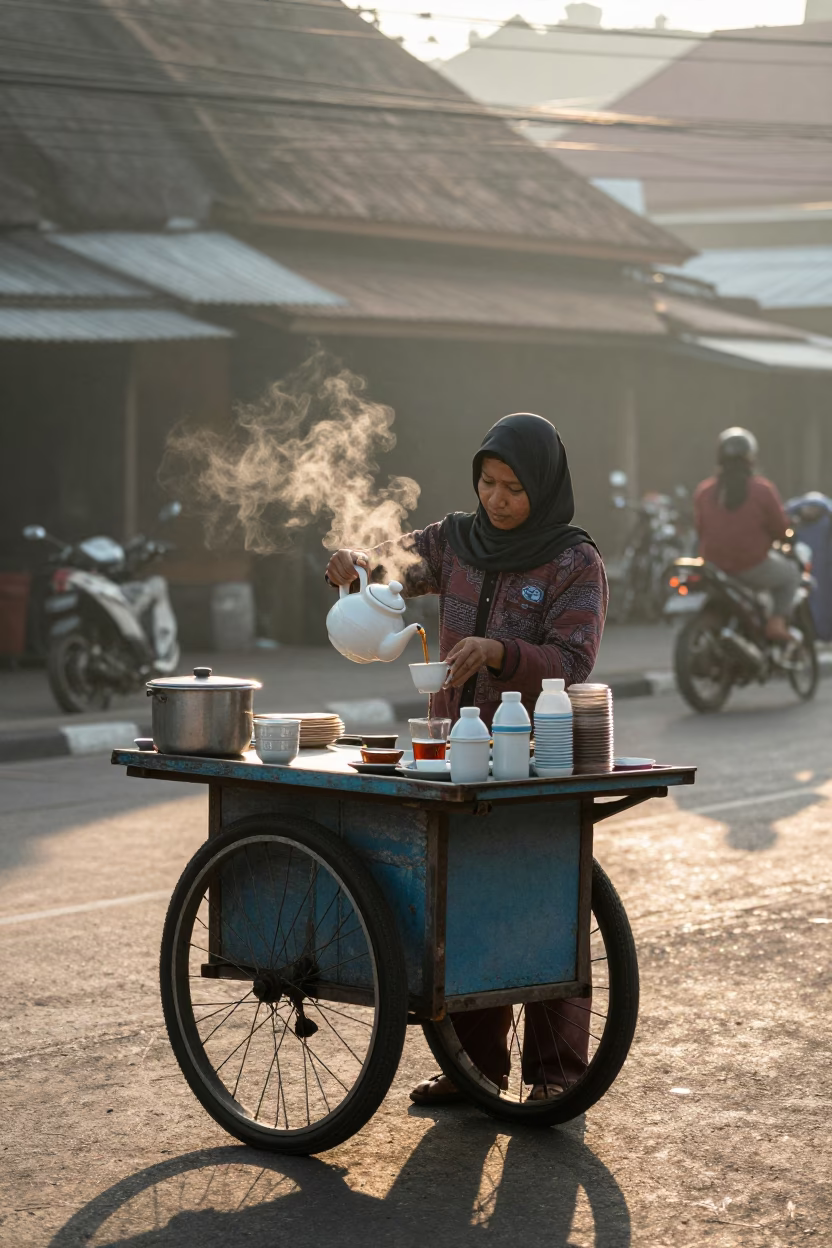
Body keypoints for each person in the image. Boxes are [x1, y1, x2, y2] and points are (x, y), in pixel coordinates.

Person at [326, 412, 607, 1104]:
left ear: (544, 486)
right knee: (465, 904)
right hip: (456, 749)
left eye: (514, 488)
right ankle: (475, 1070)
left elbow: (573, 661)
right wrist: (354, 563)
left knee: (543, 904)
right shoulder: (454, 540)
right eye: (487, 483)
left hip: (540, 753)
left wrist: (500, 652)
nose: (497, 500)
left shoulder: (573, 561)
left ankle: (555, 1073)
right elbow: (388, 566)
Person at [694, 428, 798, 644]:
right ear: (751, 457)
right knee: (791, 575)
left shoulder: (704, 491)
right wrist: (787, 538)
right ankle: (776, 623)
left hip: (713, 568)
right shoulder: (762, 490)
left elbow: (701, 529)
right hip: (752, 566)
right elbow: (780, 528)